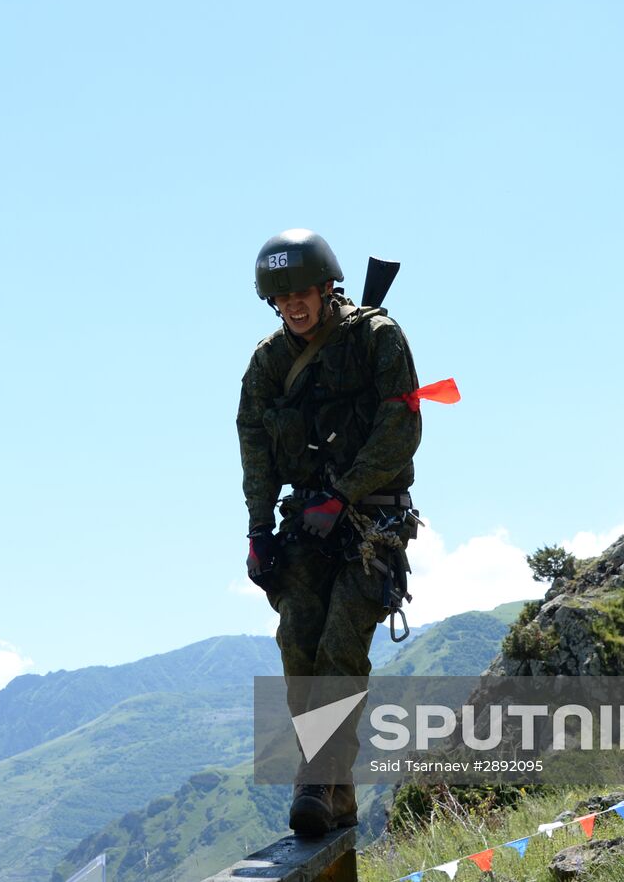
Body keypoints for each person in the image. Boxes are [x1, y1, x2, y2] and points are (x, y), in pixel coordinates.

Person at [236, 228, 423, 836]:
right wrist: (259, 529)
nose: (294, 304)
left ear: (325, 286)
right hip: (307, 525)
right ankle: (333, 790)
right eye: (281, 296)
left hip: (373, 519)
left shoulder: (376, 339)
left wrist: (344, 495)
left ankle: (317, 780)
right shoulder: (267, 364)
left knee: (341, 644)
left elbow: (401, 429)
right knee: (298, 644)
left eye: (302, 292)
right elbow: (255, 447)